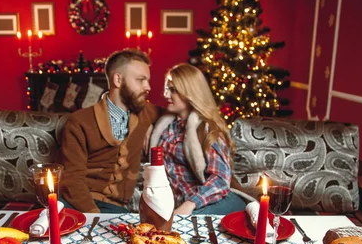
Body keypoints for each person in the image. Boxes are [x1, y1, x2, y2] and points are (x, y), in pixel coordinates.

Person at [57, 49, 161, 213]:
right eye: (141, 80)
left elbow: (180, 111)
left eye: (147, 80)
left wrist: (156, 126)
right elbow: (72, 179)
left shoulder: (145, 113)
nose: (148, 87)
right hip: (80, 203)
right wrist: (93, 215)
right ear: (118, 80)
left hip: (116, 207)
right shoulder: (79, 121)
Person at [147, 63, 251, 215]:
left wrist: (188, 206)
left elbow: (220, 179)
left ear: (189, 93)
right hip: (180, 204)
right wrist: (149, 128)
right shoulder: (167, 127)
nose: (166, 95)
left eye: (173, 90)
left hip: (209, 202)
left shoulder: (207, 129)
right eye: (167, 89)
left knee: (179, 224)